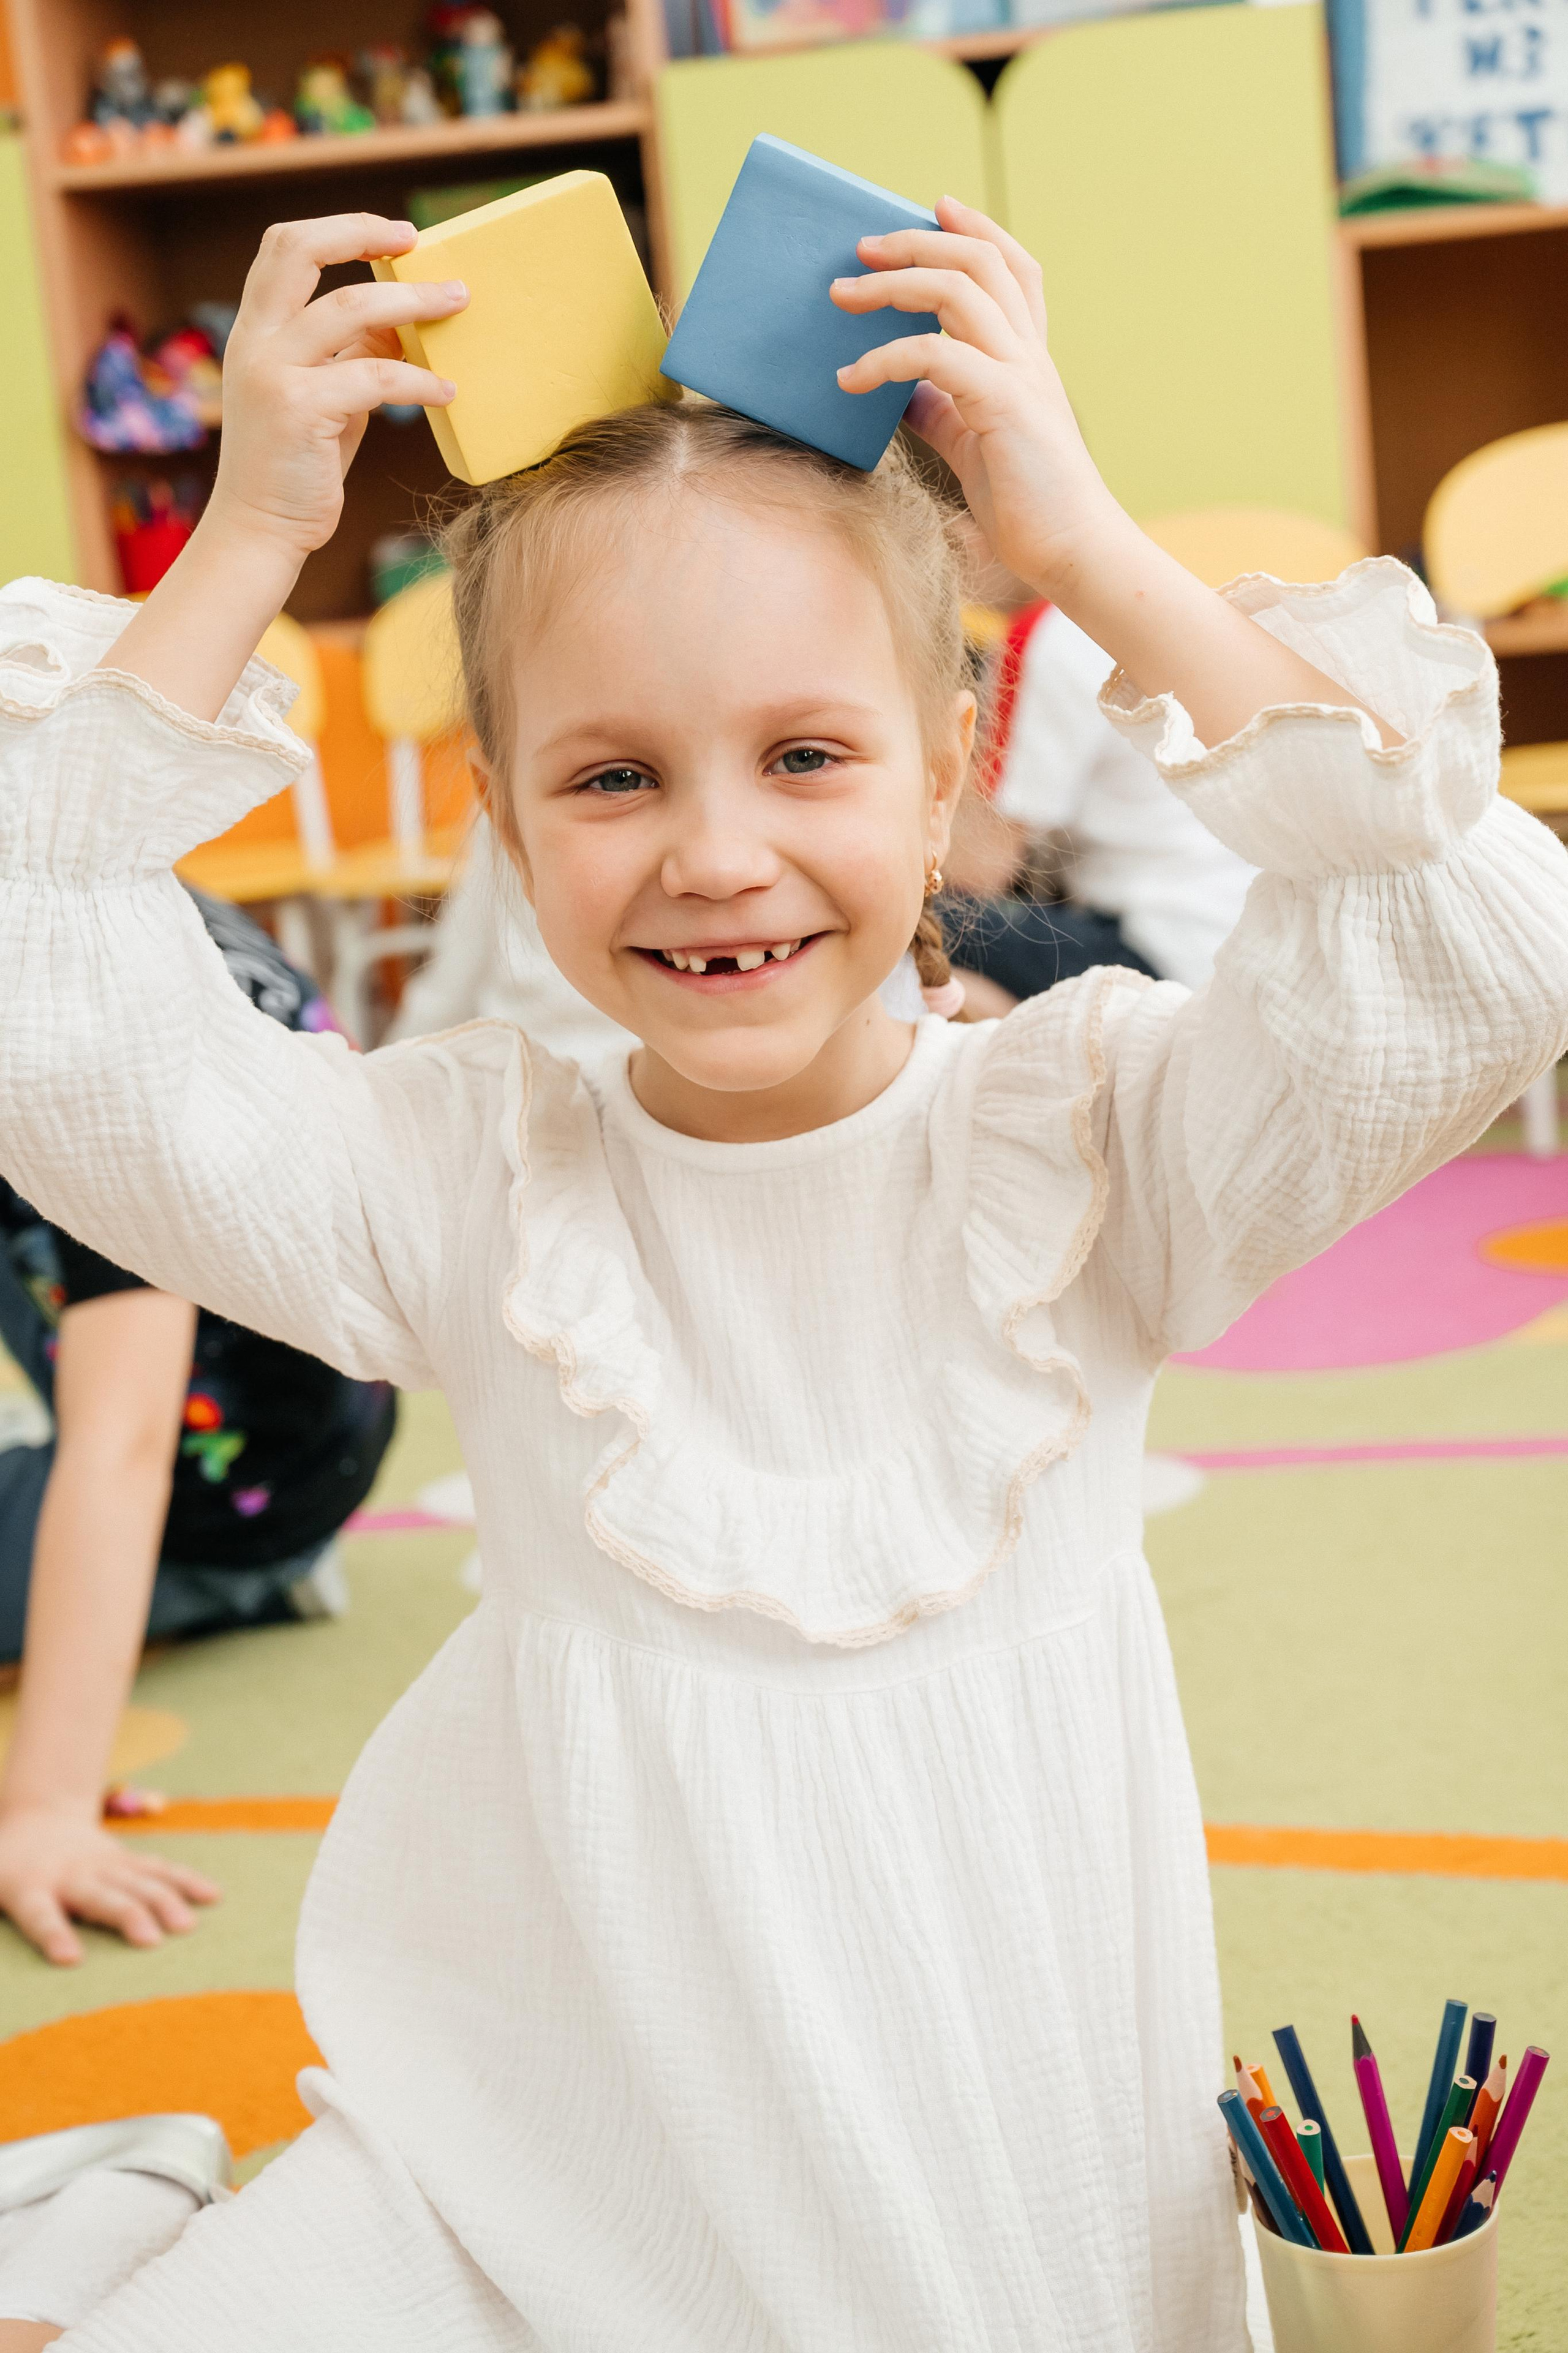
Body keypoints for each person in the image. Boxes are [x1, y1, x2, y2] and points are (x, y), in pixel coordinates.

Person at [0, 200, 1563, 2351]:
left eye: (807, 755)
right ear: (508, 819)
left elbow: (1479, 947)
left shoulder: (1095, 1134)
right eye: (613, 776)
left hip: (1000, 2168)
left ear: (947, 776)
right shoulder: (470, 1175)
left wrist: (1087, 539)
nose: (714, 851)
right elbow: (32, 997)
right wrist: (251, 530)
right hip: (537, 2146)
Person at [0, 894, 396, 1970]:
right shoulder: (117, 886)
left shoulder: (83, 1030)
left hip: (221, 1480)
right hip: (318, 1419)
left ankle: (230, 1572)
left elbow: (122, 1447)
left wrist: (47, 1803)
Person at [940, 598, 1259, 1006]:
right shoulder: (1151, 607)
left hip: (1153, 952)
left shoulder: (1044, 633)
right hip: (1229, 940)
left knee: (920, 923)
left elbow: (979, 867)